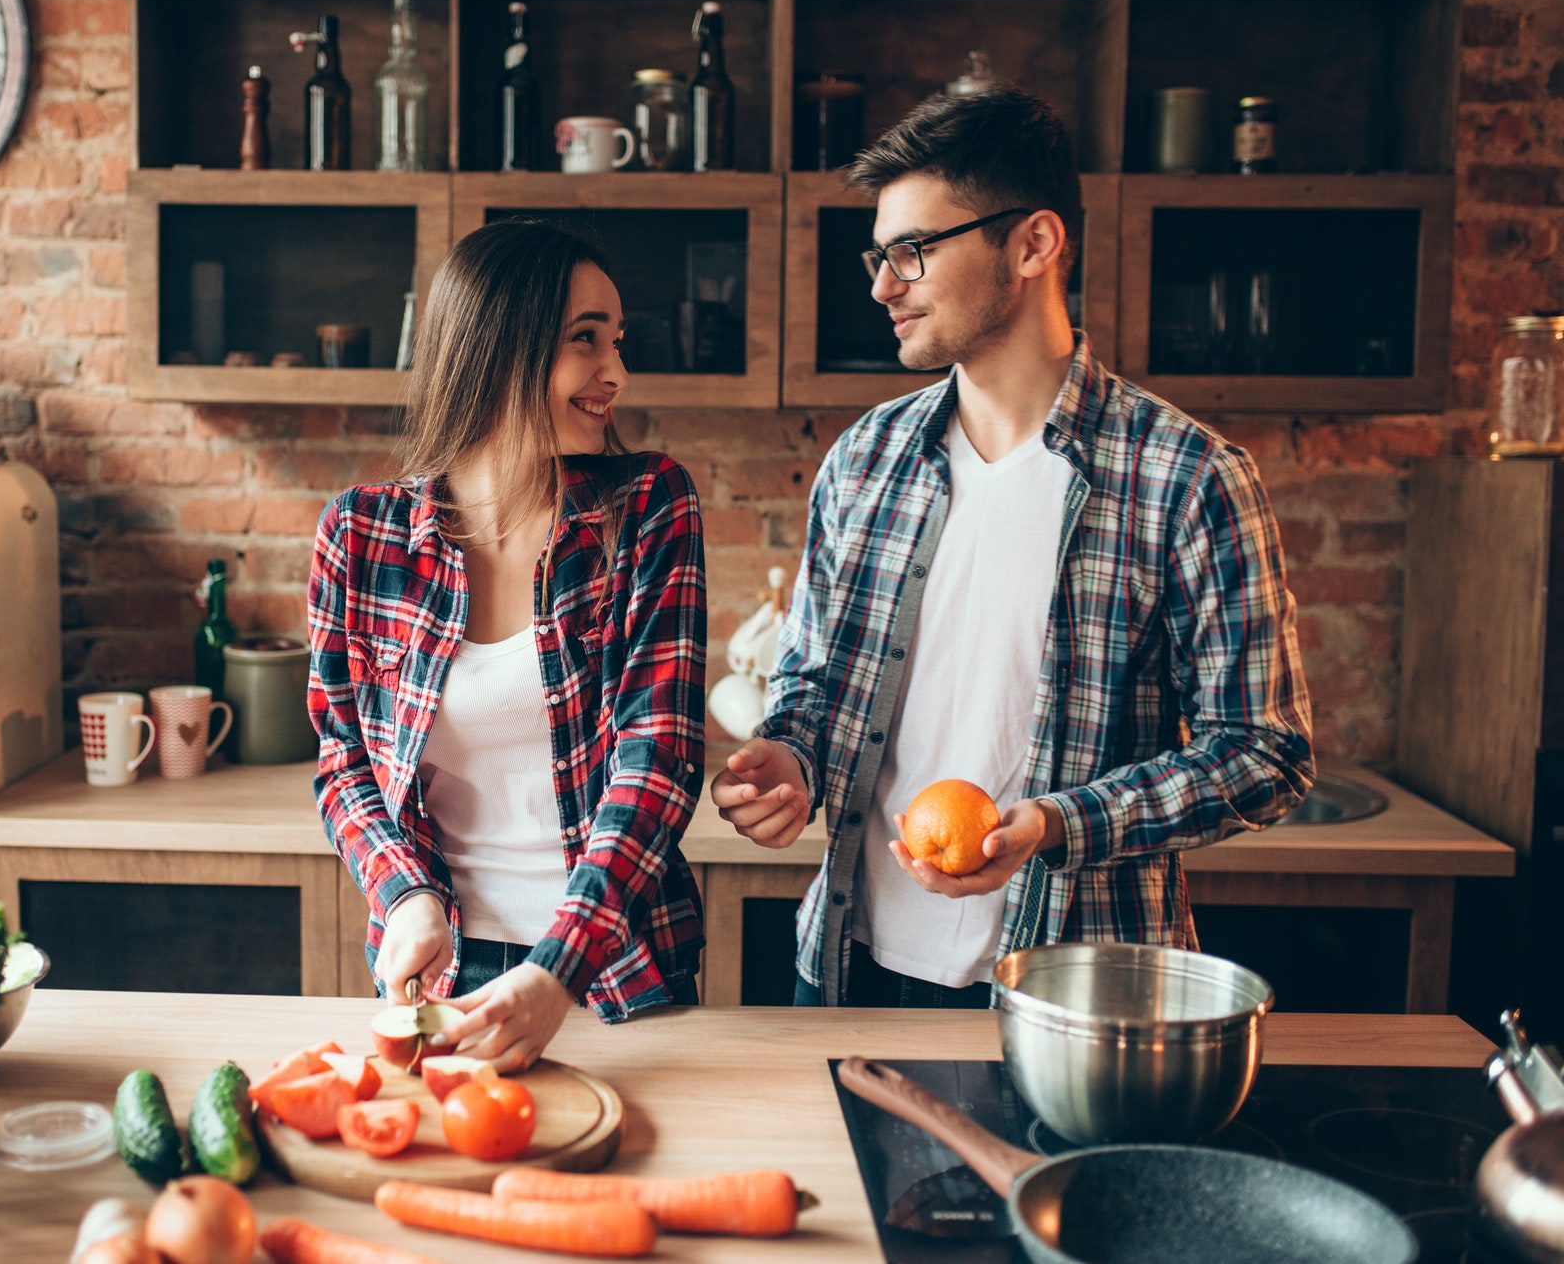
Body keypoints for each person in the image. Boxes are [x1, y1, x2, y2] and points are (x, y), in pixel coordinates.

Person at [710, 87, 1314, 1008]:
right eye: (880, 255)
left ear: (1033, 244)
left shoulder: (1187, 477)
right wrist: (792, 758)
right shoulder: (863, 462)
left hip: (1073, 997)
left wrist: (1058, 824)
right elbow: (814, 686)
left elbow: (1265, 751)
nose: (882, 285)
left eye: (913, 250)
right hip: (849, 964)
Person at [308, 219, 707, 1069]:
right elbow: (343, 760)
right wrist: (406, 895)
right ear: (499, 348)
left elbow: (659, 757)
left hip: (613, 969)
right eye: (585, 340)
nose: (617, 373)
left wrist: (557, 967)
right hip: (436, 969)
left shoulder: (649, 507)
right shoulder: (361, 532)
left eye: (618, 341)